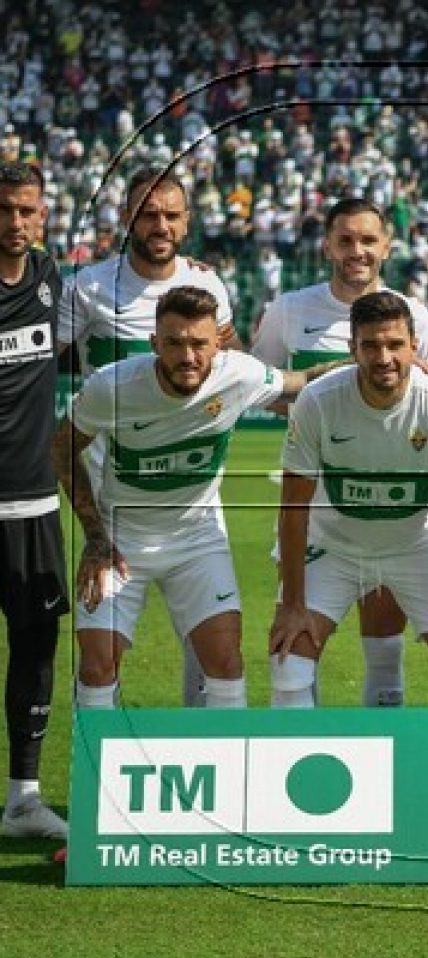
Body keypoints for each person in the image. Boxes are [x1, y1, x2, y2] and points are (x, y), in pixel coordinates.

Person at [53, 286, 331, 710]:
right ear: (154, 344)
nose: (187, 356)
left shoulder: (239, 373)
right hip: (119, 540)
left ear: (217, 343)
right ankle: (97, 776)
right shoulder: (111, 387)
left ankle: (227, 772)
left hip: (197, 540)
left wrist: (394, 368)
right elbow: (61, 450)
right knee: (96, 666)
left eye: (199, 344)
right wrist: (94, 535)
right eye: (175, 343)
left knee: (225, 662)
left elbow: (304, 382)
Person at [57, 165, 238, 709]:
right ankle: (99, 782)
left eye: (170, 214)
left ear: (186, 223)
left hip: (193, 504)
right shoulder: (89, 288)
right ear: (127, 220)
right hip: (116, 509)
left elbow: (229, 368)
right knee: (100, 660)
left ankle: (211, 767)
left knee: (213, 655)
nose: (159, 224)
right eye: (147, 213)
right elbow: (39, 361)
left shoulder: (208, 284)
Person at [252, 196, 428, 708]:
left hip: (389, 503)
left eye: (368, 240)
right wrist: (316, 415)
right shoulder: (289, 310)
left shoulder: (414, 313)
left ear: (387, 246)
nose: (358, 250)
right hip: (316, 506)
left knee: (384, 644)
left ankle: (386, 762)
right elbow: (260, 387)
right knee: (297, 646)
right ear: (328, 244)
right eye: (346, 240)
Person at [268, 291, 428, 708]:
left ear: (414, 347)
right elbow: (293, 511)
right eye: (370, 345)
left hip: (415, 546)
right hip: (334, 546)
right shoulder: (316, 402)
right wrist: (292, 604)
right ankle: (297, 770)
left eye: (394, 345)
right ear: (353, 349)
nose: (383, 357)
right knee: (289, 668)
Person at [0, 162, 68, 838]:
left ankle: (23, 799)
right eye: (4, 210)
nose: (15, 223)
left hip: (34, 505)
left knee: (36, 644)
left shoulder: (49, 280)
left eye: (26, 210)